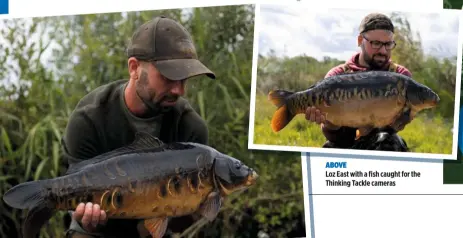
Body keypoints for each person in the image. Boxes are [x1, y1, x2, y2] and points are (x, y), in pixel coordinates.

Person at [62, 16, 216, 238]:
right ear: (134, 68)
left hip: (157, 228)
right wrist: (86, 219)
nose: (179, 91)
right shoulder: (89, 119)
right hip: (98, 229)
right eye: (168, 77)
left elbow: (183, 220)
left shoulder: (190, 128)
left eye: (184, 79)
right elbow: (75, 190)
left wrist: (201, 205)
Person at [304, 13, 411, 151]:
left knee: (389, 141)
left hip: (381, 143)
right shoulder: (337, 75)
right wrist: (330, 124)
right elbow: (335, 137)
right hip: (343, 141)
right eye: (376, 43)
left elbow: (398, 123)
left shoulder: (400, 76)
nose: (383, 51)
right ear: (360, 40)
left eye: (388, 44)